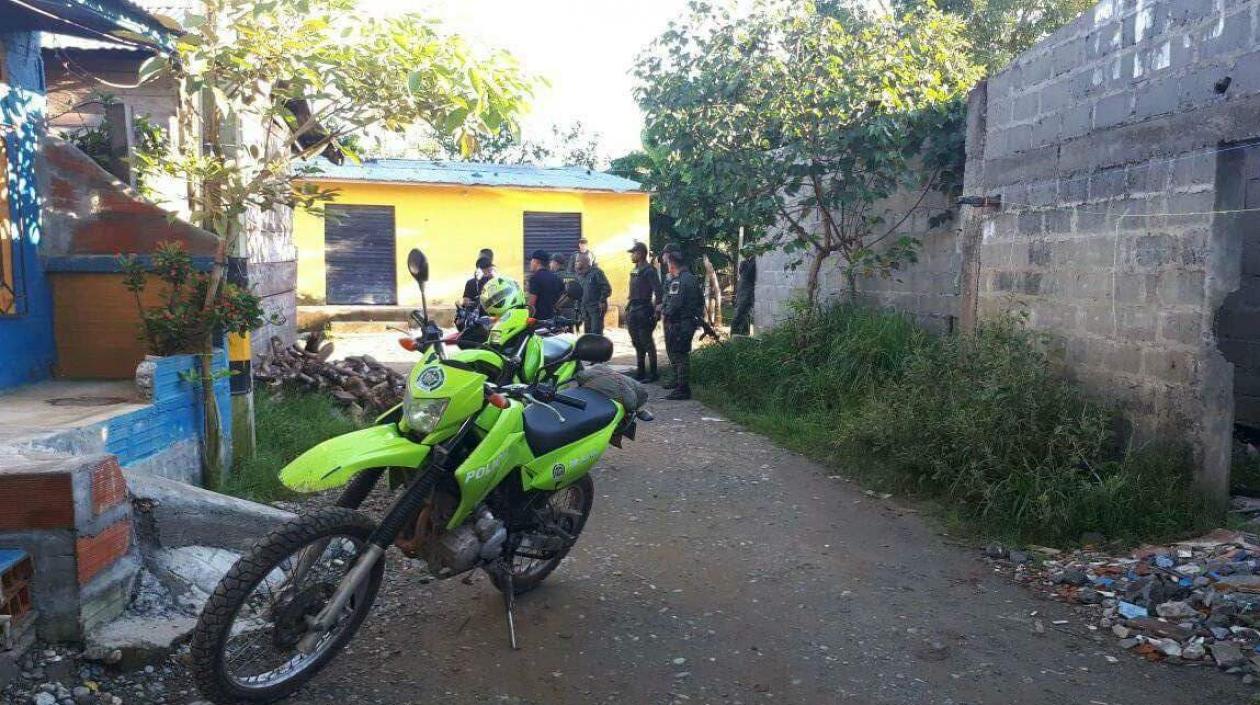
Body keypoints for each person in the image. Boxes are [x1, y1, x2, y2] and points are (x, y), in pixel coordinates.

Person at [661, 250, 704, 400]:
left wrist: (664, 311)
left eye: (667, 264)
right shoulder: (692, 278)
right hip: (689, 321)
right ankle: (681, 386)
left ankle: (683, 388)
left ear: (672, 264)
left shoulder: (678, 281)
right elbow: (700, 301)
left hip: (680, 323)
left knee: (680, 356)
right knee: (682, 354)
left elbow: (674, 305)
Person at [625, 241, 662, 382]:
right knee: (637, 342)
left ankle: (653, 373)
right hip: (633, 309)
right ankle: (640, 372)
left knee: (647, 342)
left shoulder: (649, 270)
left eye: (633, 253)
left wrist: (657, 310)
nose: (631, 256)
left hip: (644, 310)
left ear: (640, 254)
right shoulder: (634, 270)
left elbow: (658, 290)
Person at [574, 252, 611, 335]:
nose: (576, 264)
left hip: (596, 309)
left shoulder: (596, 272)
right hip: (585, 309)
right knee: (587, 334)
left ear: (585, 262)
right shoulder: (579, 275)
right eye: (575, 262)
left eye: (578, 261)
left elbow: (606, 288)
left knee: (596, 333)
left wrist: (602, 300)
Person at [527, 249, 564, 320]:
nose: (530, 263)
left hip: (539, 321)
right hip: (553, 320)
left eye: (531, 260)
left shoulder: (535, 278)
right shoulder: (556, 278)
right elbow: (559, 301)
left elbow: (531, 304)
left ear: (536, 262)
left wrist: (528, 319)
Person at [551, 253, 579, 327]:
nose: (550, 264)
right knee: (569, 336)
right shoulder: (574, 276)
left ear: (555, 263)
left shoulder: (554, 277)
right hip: (572, 311)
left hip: (558, 311)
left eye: (551, 262)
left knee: (558, 335)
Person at [731, 255, 756, 336]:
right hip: (745, 294)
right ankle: (736, 334)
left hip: (744, 293)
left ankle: (742, 334)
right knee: (741, 313)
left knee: (744, 314)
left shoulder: (743, 273)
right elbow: (750, 270)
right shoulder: (747, 266)